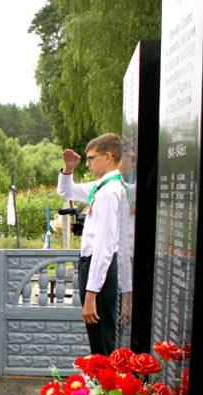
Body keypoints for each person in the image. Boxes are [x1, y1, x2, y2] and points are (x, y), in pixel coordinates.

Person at [57, 133, 130, 355]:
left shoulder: (109, 192)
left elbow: (104, 246)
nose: (87, 164)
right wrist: (68, 168)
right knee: (98, 338)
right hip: (95, 268)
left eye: (91, 159)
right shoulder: (102, 186)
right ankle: (102, 385)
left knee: (102, 342)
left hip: (99, 270)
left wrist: (91, 293)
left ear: (108, 156)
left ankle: (104, 386)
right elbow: (66, 191)